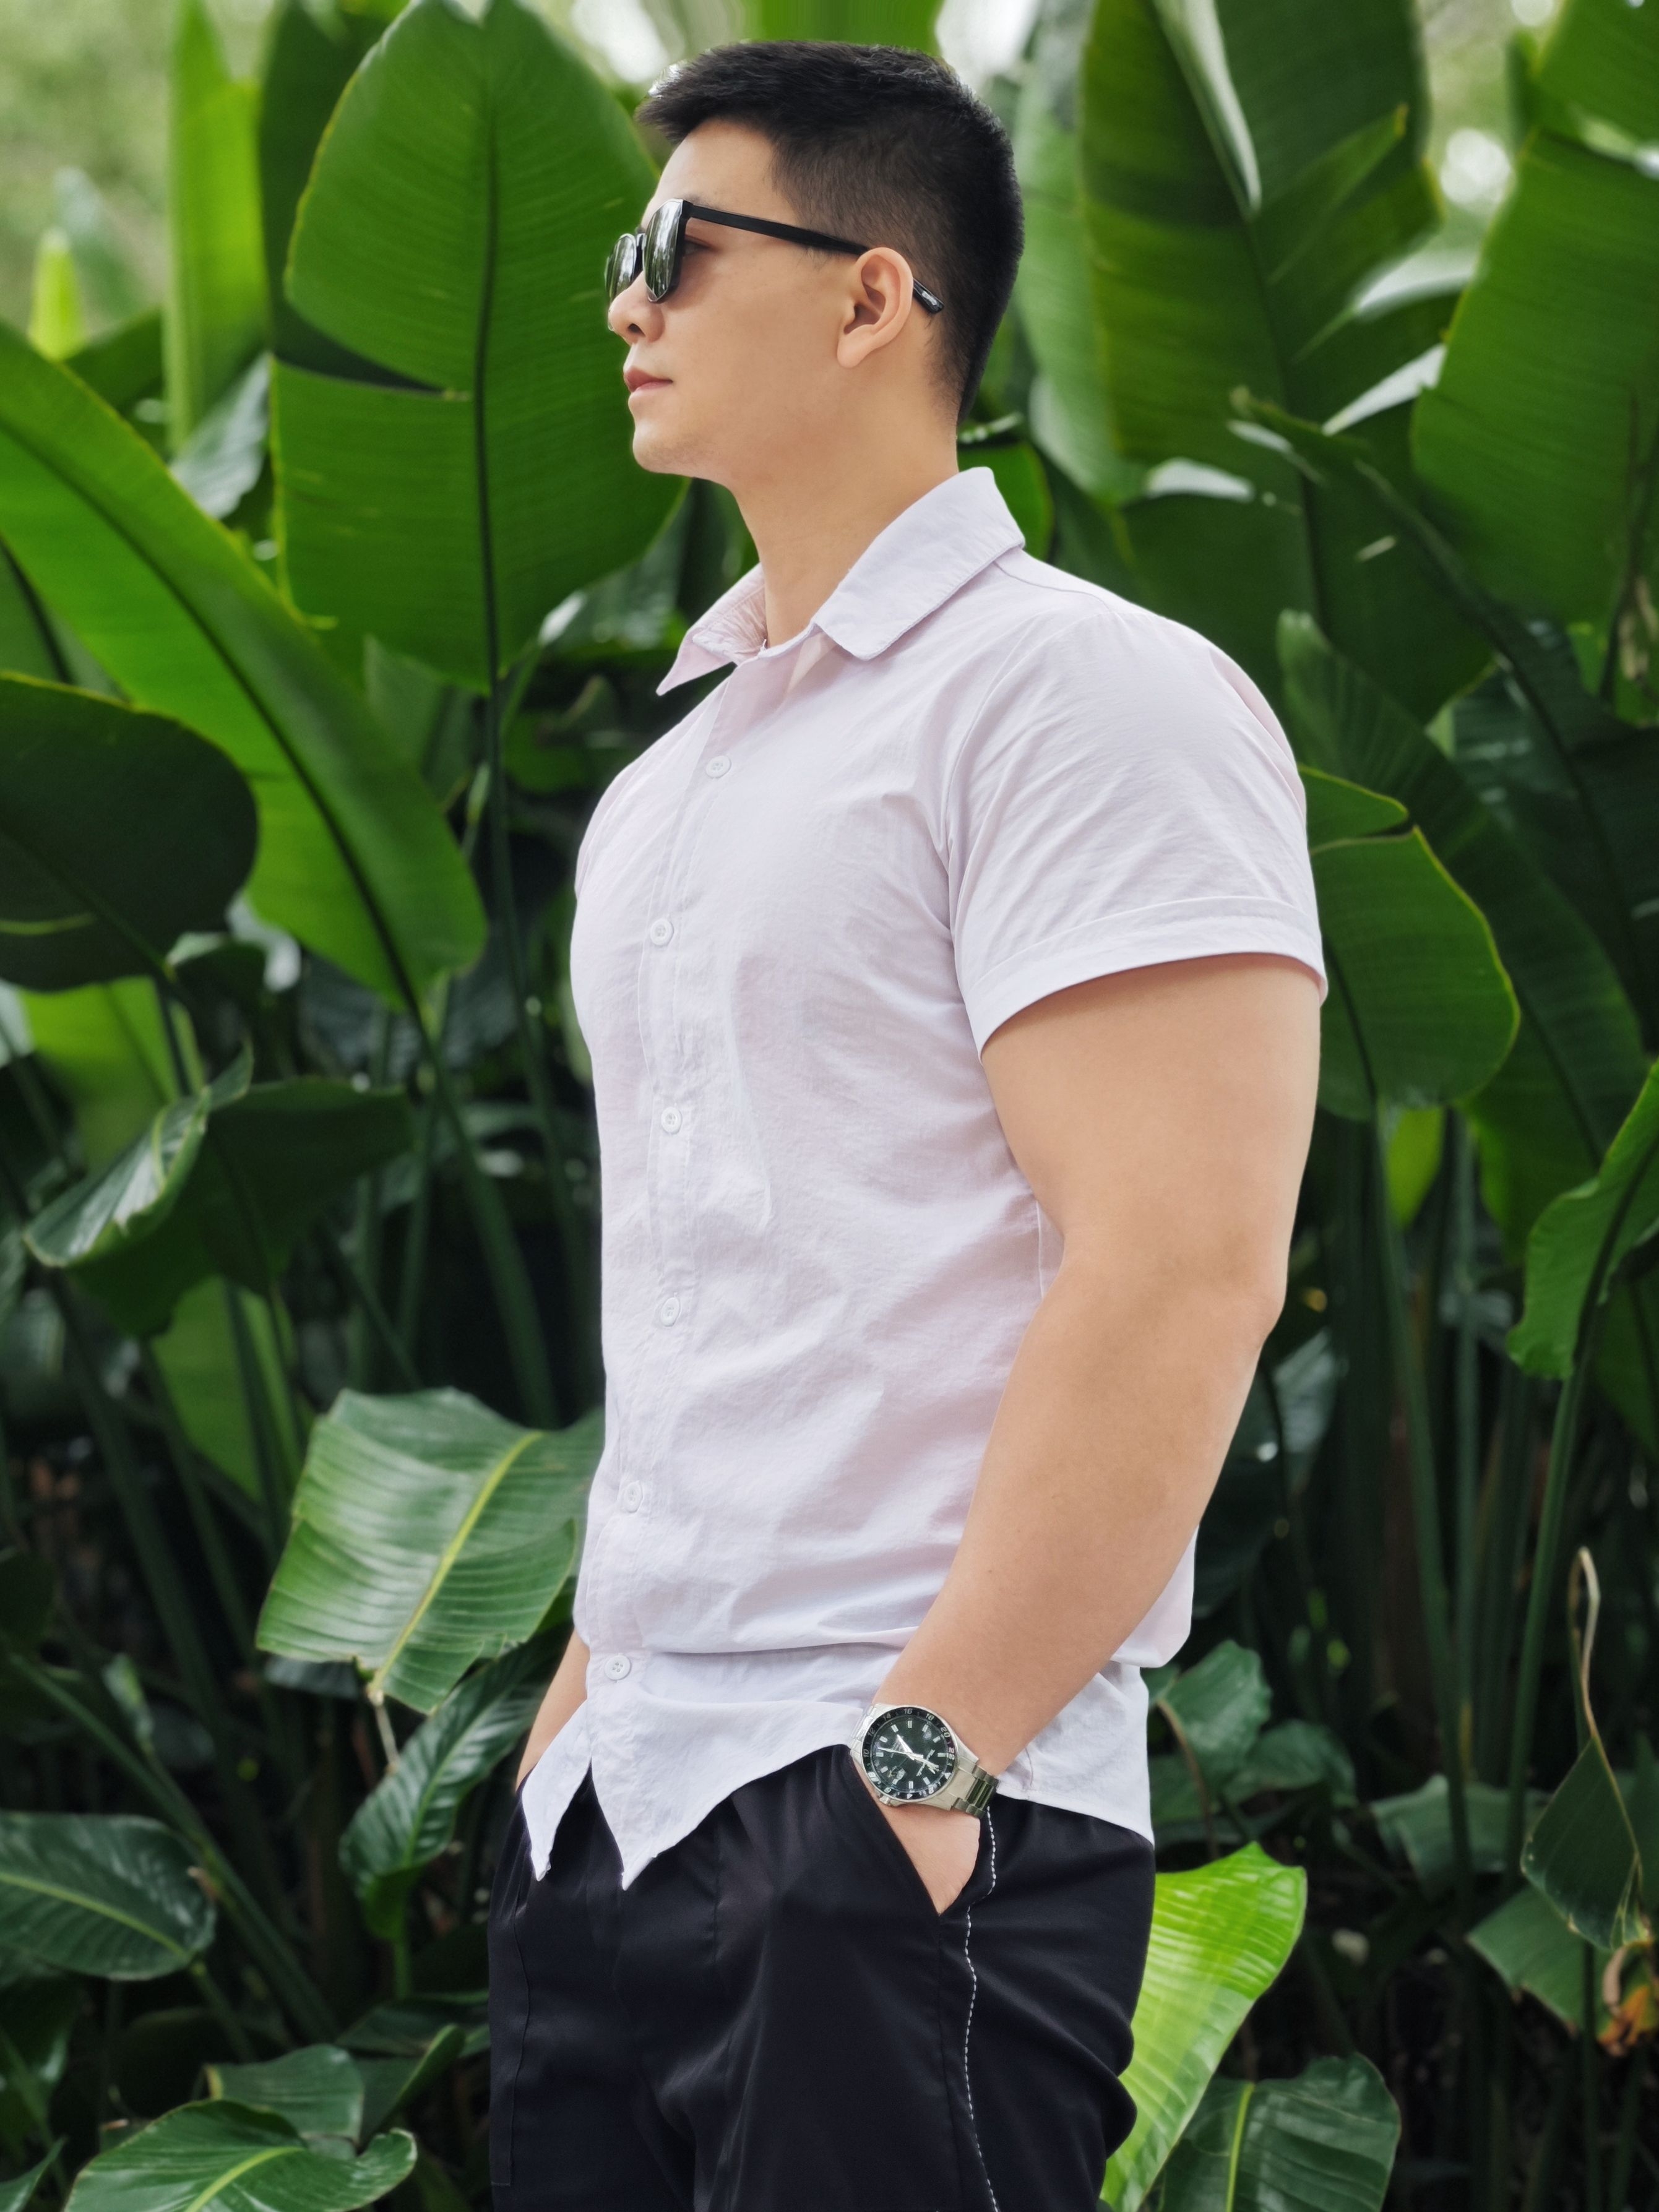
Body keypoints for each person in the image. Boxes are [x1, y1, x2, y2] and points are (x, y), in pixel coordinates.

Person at [488, 37, 1324, 2212]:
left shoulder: (1078, 698)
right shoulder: (671, 780)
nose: (625, 301)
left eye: (678, 246)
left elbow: (1181, 1267)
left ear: (874, 297)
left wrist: (919, 1768)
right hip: (619, 1813)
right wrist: (575, 1713)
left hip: (890, 1821)